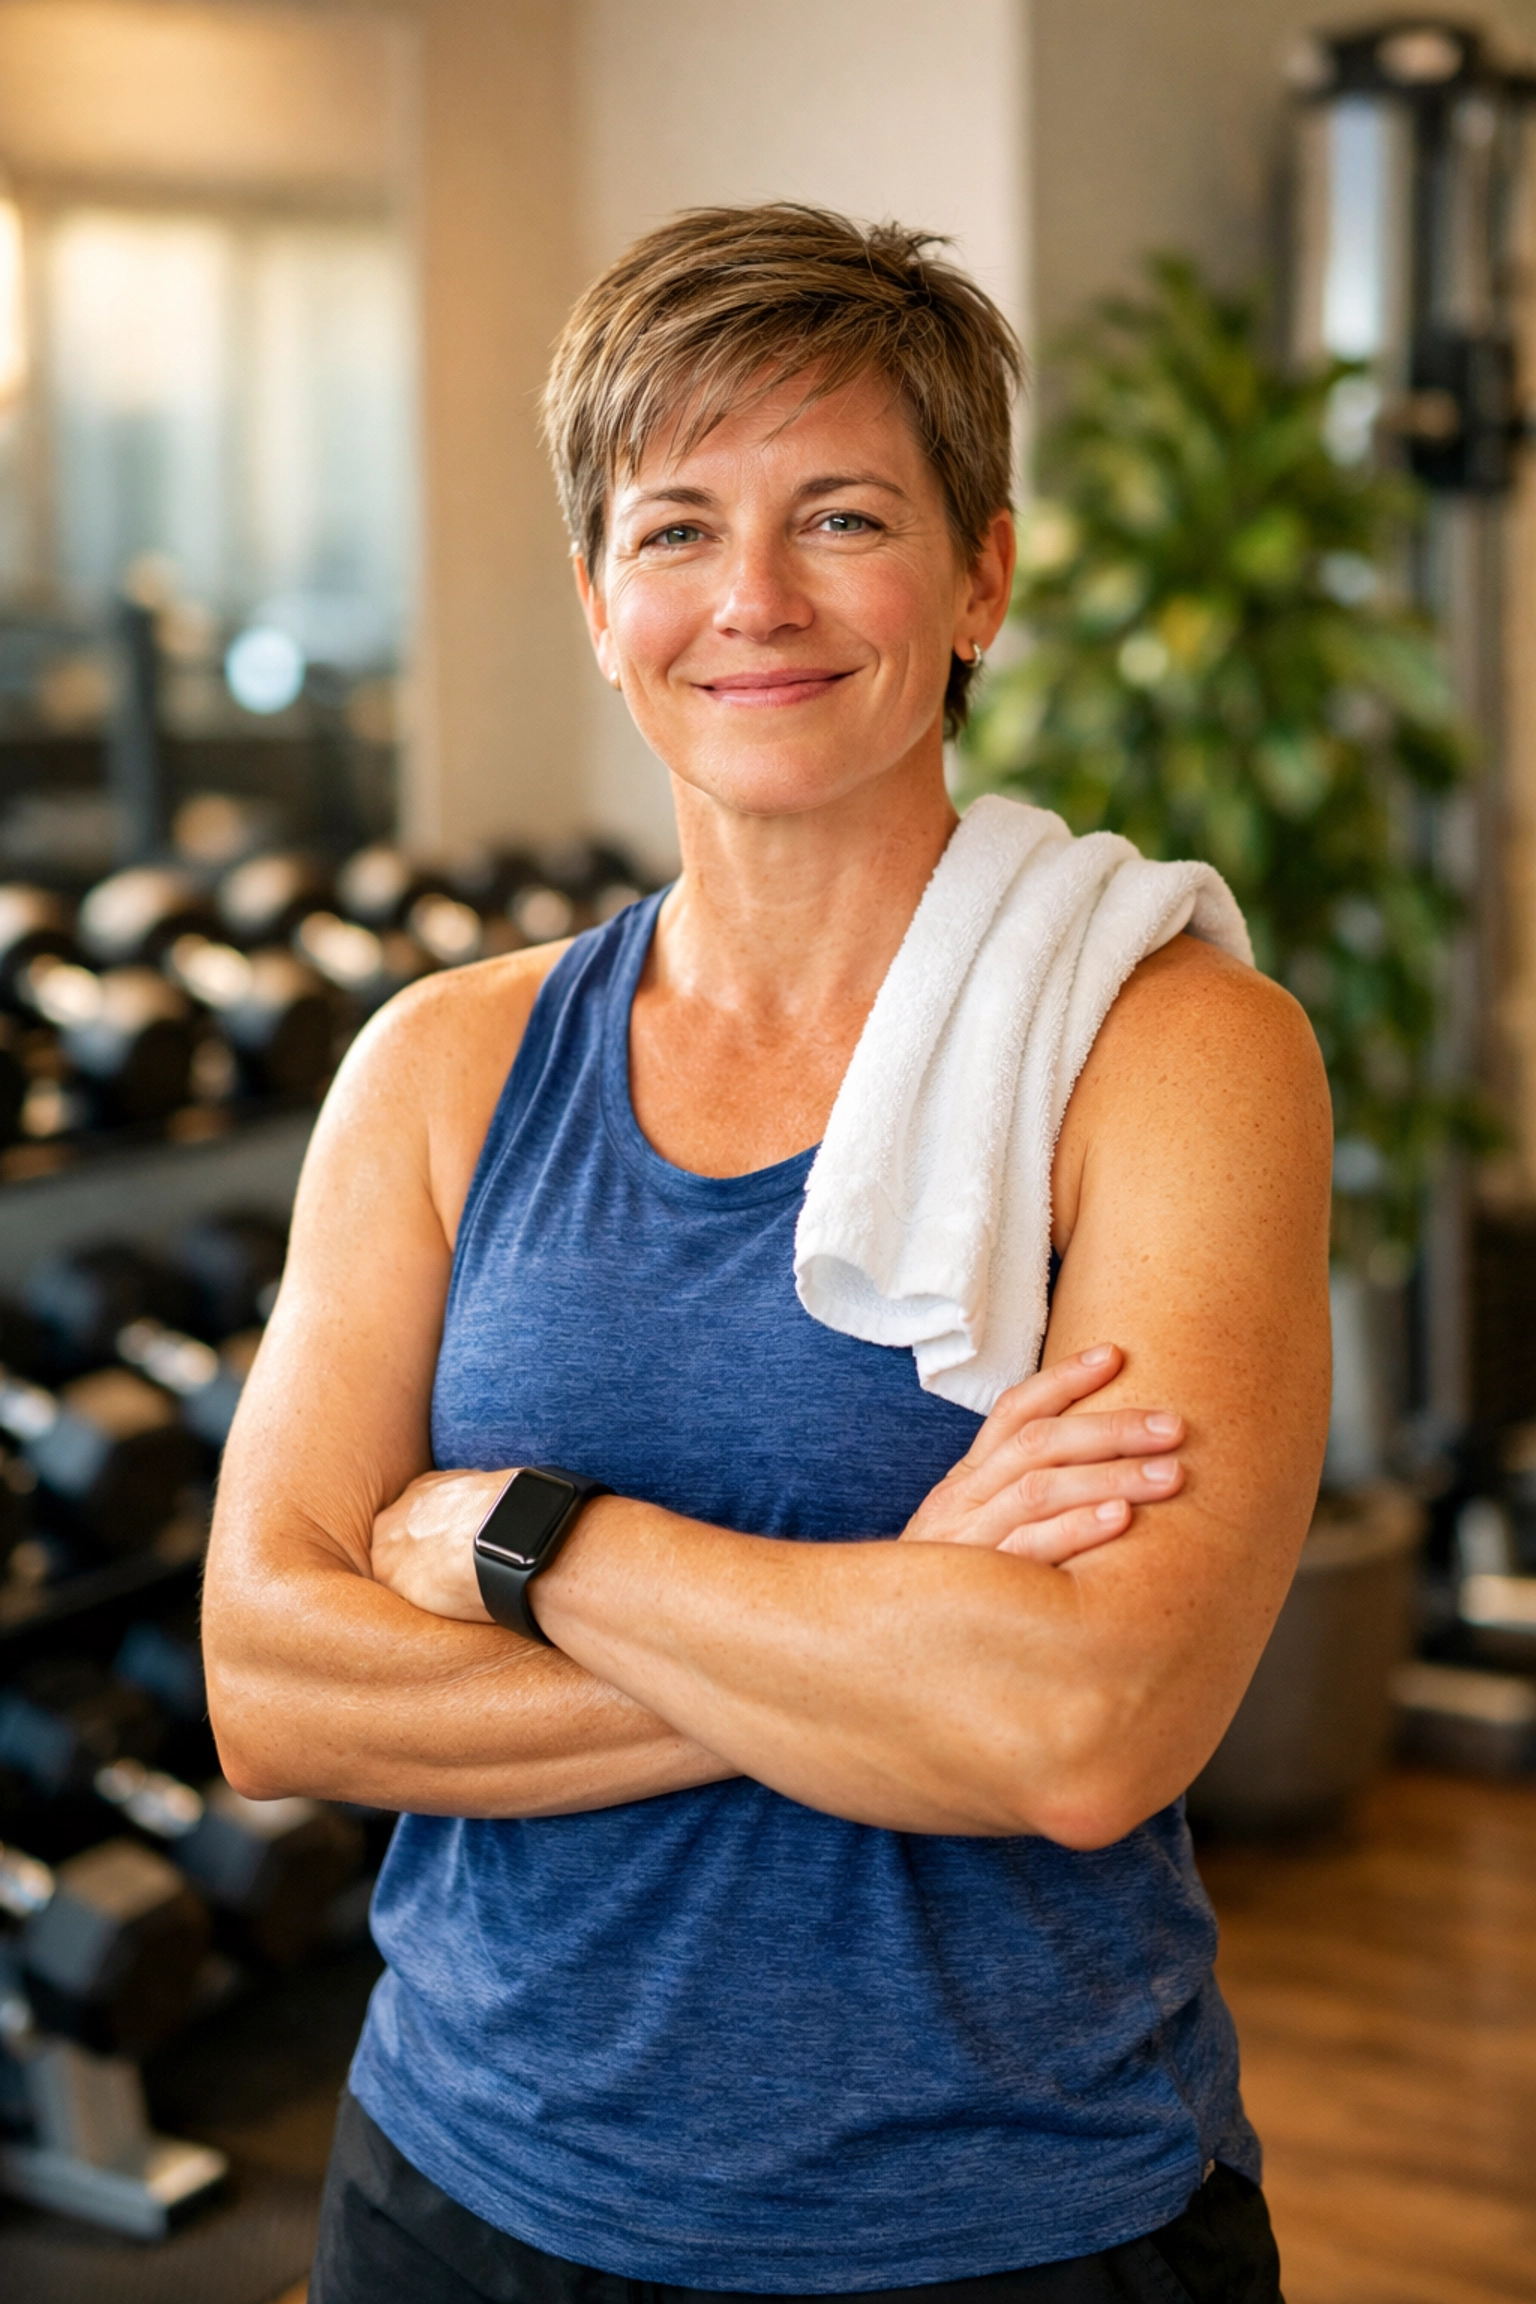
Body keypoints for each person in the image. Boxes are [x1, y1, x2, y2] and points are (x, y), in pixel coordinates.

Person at [203, 204, 1331, 2304]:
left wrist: (530, 1550)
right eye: (675, 529)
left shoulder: (1174, 1055)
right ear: (595, 595)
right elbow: (269, 1683)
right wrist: (906, 1635)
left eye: (841, 517)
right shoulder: (444, 1067)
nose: (754, 602)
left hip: (1007, 2220)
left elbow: (1086, 1733)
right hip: (460, 2192)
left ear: (981, 571)